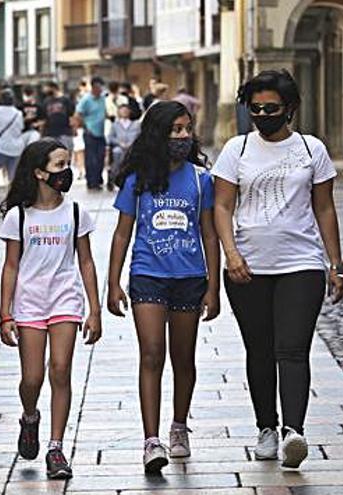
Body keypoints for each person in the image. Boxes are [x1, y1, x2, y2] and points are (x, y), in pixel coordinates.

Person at [212, 70, 343, 470]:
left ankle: (294, 432)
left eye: (272, 108)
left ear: (290, 109)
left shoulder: (311, 149)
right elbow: (221, 206)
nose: (264, 115)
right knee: (260, 349)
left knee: (292, 348)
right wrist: (230, 253)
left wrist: (334, 263)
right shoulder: (236, 149)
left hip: (301, 263)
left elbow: (324, 207)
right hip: (247, 266)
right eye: (256, 109)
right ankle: (266, 427)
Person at [107, 101, 221, 473]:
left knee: (183, 358)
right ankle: (151, 440)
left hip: (189, 279)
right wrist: (113, 283)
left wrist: (213, 287)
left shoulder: (201, 179)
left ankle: (179, 426)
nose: (183, 136)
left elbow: (209, 234)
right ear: (159, 134)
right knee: (152, 354)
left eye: (187, 129)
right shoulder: (137, 179)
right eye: (175, 130)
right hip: (148, 275)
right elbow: (123, 233)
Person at [0, 138, 102, 479]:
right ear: (40, 173)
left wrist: (94, 309)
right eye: (59, 166)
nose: (67, 172)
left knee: (60, 369)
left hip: (65, 299)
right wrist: (5, 314)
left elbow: (86, 262)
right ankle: (30, 417)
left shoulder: (75, 212)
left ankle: (56, 449)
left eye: (67, 164)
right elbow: (10, 266)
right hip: (29, 302)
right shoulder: (18, 216)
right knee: (32, 378)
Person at [75, 77, 108, 190]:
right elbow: (78, 114)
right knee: (91, 158)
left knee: (101, 157)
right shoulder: (86, 99)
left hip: (101, 132)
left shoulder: (103, 98)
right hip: (90, 132)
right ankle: (91, 182)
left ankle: (98, 178)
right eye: (98, 88)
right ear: (93, 87)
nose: (100, 90)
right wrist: (85, 126)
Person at [107, 104, 141, 190]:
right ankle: (114, 177)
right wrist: (119, 143)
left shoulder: (136, 124)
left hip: (133, 147)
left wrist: (131, 143)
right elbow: (110, 137)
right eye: (122, 110)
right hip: (119, 147)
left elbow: (140, 137)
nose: (124, 112)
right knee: (117, 153)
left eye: (126, 110)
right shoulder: (115, 125)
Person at [42, 81, 75, 152]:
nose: (45, 91)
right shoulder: (46, 101)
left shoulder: (65, 100)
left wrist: (73, 129)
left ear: (53, 88)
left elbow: (71, 116)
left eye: (47, 89)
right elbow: (44, 118)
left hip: (64, 132)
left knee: (65, 153)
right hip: (50, 133)